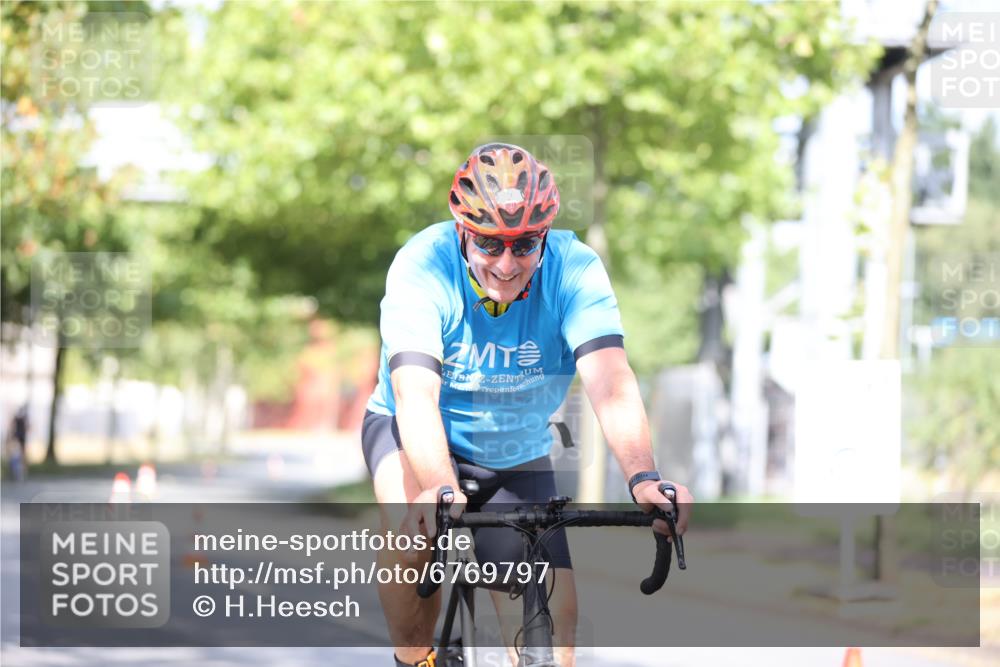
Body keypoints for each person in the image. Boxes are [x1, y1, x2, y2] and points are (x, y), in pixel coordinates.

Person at [361, 143, 693, 667]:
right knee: (413, 538)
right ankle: (415, 660)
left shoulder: (574, 269)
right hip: (416, 433)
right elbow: (414, 394)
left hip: (513, 450)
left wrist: (643, 476)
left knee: (555, 635)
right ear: (463, 232)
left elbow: (609, 380)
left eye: (525, 244)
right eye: (490, 244)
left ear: (545, 236)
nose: (507, 264)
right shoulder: (422, 265)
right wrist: (437, 487)